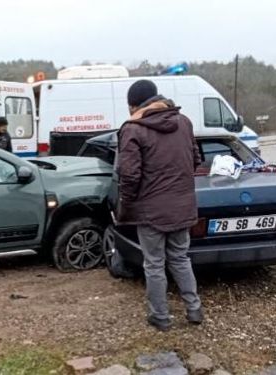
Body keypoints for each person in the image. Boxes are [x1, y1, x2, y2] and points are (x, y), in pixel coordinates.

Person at [116, 79, 203, 331]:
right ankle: (194, 309)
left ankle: (160, 317)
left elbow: (129, 176)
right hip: (183, 207)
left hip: (151, 211)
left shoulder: (133, 129)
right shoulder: (184, 122)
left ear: (134, 105)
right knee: (180, 258)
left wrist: (126, 206)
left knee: (154, 264)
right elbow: (196, 159)